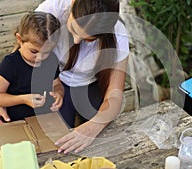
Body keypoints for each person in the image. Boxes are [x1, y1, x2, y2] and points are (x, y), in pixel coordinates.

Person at [35, 0, 129, 154]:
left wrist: (94, 127)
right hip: (55, 81)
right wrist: (1, 99)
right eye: (73, 28)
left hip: (91, 84)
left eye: (90, 39)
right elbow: (23, 51)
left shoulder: (118, 32)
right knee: (54, 141)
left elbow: (115, 93)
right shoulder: (52, 10)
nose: (77, 40)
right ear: (72, 4)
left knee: (104, 142)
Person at [0, 11, 63, 123]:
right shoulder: (11, 64)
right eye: (34, 51)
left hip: (43, 120)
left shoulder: (51, 60)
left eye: (46, 52)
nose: (40, 57)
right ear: (19, 39)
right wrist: (24, 99)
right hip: (15, 121)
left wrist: (59, 94)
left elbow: (57, 84)